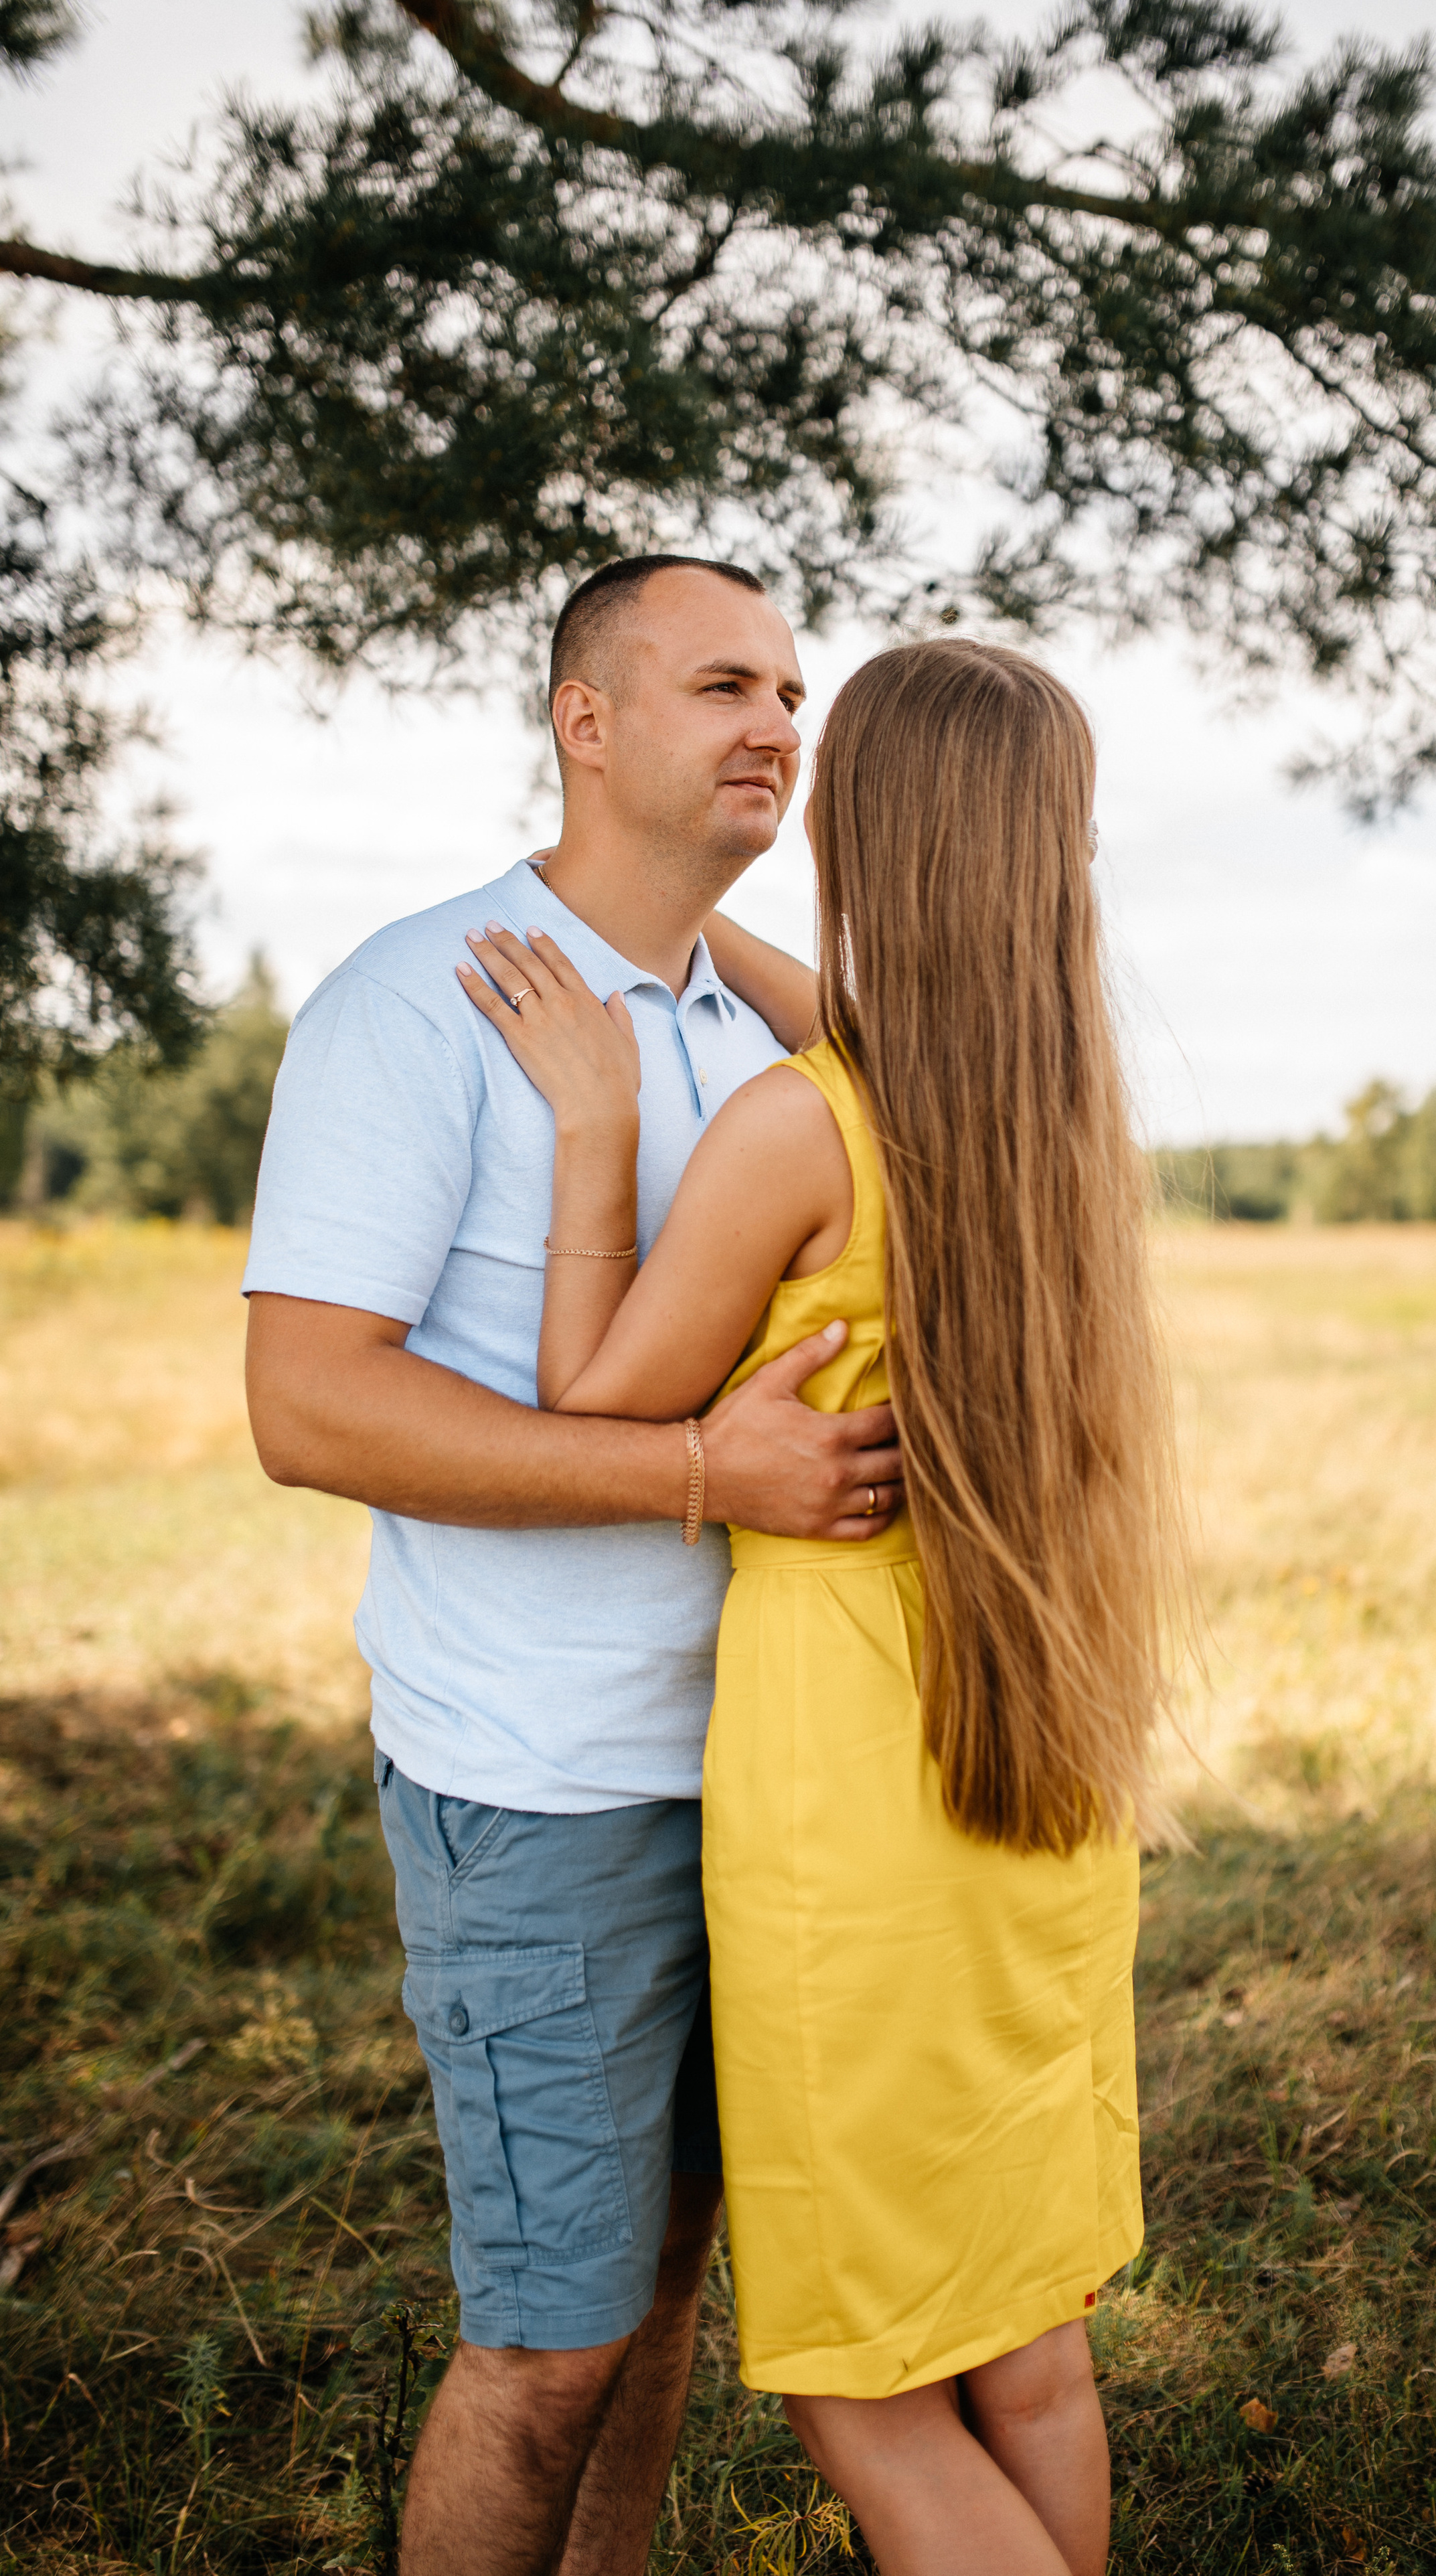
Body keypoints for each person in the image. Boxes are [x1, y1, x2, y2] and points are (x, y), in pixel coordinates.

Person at [459, 636, 1186, 2576]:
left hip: (858, 1819)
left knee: (862, 2389)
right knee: (1029, 2349)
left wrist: (604, 1121)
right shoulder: (1047, 1130)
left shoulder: (801, 1134)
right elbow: (892, 1014)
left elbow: (598, 1395)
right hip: (1031, 1794)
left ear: (861, 832)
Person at [242, 556, 906, 2576]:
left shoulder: (751, 1019)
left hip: (768, 1776)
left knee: (666, 2309)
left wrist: (764, 970)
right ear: (582, 719)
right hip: (540, 1781)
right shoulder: (419, 999)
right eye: (721, 685)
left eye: (792, 691)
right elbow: (311, 1412)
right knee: (545, 2346)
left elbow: (928, 1037)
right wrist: (703, 1468)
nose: (776, 726)